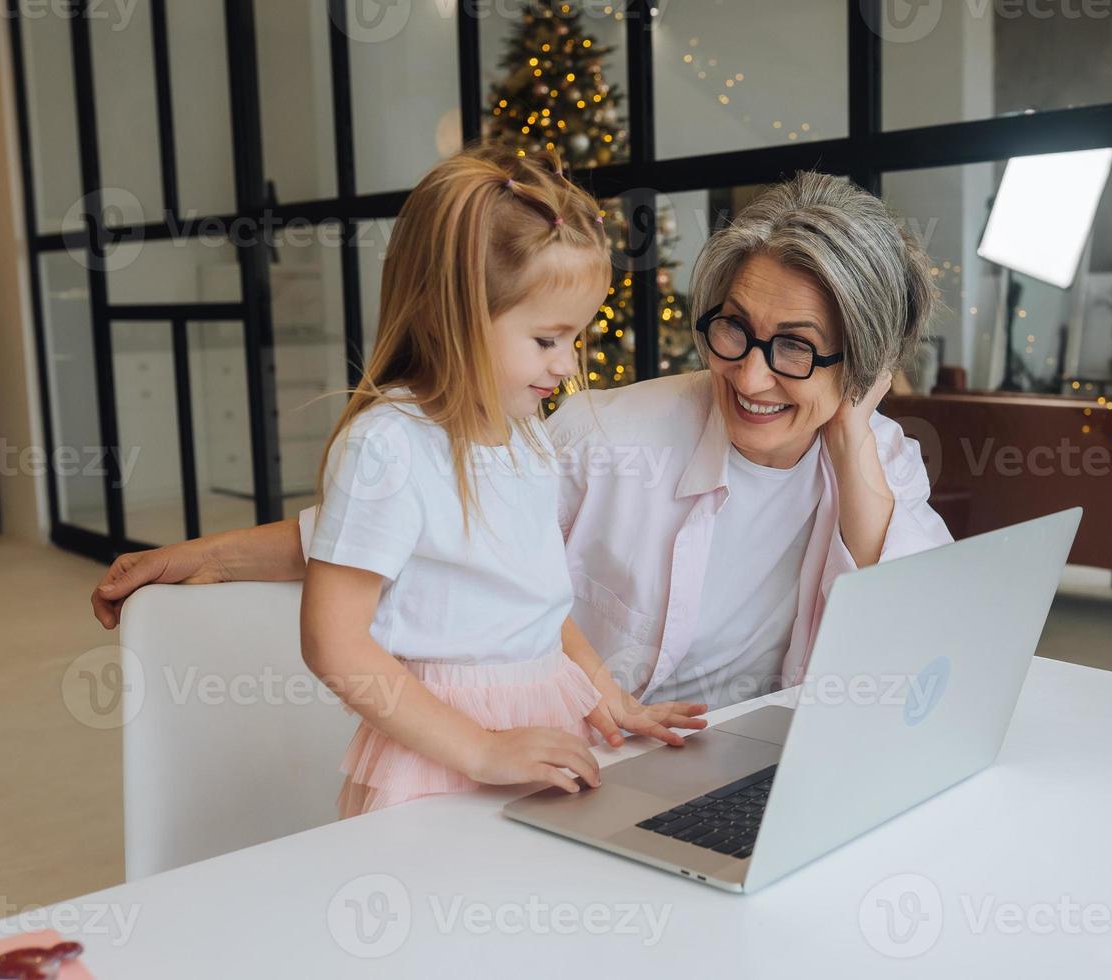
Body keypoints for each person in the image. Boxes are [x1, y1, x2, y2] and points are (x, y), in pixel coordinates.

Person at [93, 168, 953, 713]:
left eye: (795, 348)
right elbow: (412, 524)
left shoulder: (878, 464)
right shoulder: (608, 434)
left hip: (759, 766)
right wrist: (205, 558)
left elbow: (930, 660)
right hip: (594, 759)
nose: (751, 374)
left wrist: (855, 456)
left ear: (866, 362)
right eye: (732, 328)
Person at [288, 142, 703, 819]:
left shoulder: (525, 434)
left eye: (575, 338)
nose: (566, 365)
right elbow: (333, 641)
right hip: (442, 754)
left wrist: (607, 696)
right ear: (449, 313)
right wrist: (480, 749)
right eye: (545, 340)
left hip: (543, 727)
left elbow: (541, 608)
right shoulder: (387, 446)